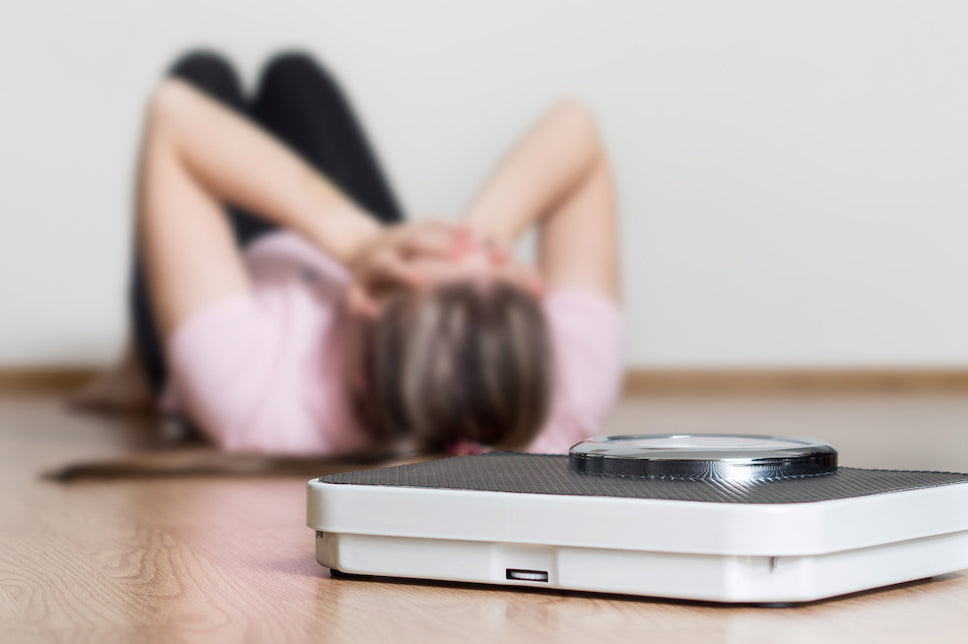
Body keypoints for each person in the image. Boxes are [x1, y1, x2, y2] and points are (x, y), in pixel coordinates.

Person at [73, 50, 624, 456]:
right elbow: (577, 126)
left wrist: (358, 241)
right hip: (340, 260)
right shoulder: (564, 388)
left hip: (244, 277)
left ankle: (140, 368)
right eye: (503, 263)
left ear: (369, 304)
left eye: (455, 254)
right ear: (532, 297)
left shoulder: (251, 392)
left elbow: (174, 115)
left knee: (202, 75)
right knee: (295, 77)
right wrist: (486, 236)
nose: (463, 241)